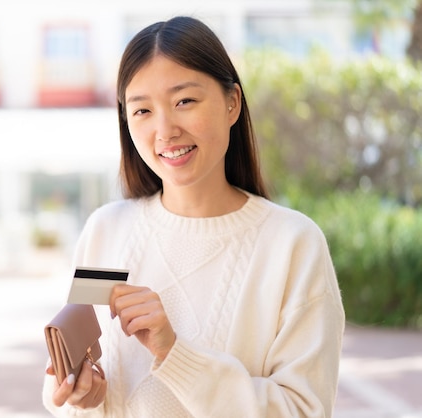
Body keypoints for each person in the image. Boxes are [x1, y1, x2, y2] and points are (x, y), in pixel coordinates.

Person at [42, 15, 345, 417]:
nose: (165, 131)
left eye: (184, 101)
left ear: (232, 102)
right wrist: (82, 397)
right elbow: (66, 379)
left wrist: (175, 354)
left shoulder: (291, 244)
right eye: (142, 111)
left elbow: (304, 410)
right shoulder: (106, 231)